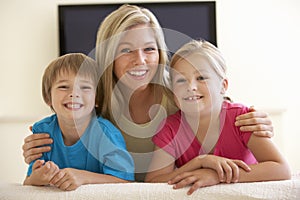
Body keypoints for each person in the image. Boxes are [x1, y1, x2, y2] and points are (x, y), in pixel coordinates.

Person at [22, 4, 274, 182]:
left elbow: (219, 109)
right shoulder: (94, 102)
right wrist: (38, 149)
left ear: (160, 52)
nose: (139, 60)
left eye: (149, 49)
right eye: (126, 50)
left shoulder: (178, 93)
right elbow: (64, 138)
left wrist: (256, 121)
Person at [145, 40, 291, 194]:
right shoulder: (170, 128)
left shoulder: (241, 119)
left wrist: (217, 175)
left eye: (201, 78)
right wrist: (199, 163)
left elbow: (281, 168)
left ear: (223, 86)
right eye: (181, 80)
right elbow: (154, 181)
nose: (191, 87)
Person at [23, 53, 134, 191]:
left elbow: (126, 181)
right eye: (63, 86)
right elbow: (27, 183)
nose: (74, 93)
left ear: (97, 99)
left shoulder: (106, 134)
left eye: (85, 87)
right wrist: (37, 178)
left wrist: (84, 178)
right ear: (48, 97)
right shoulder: (43, 131)